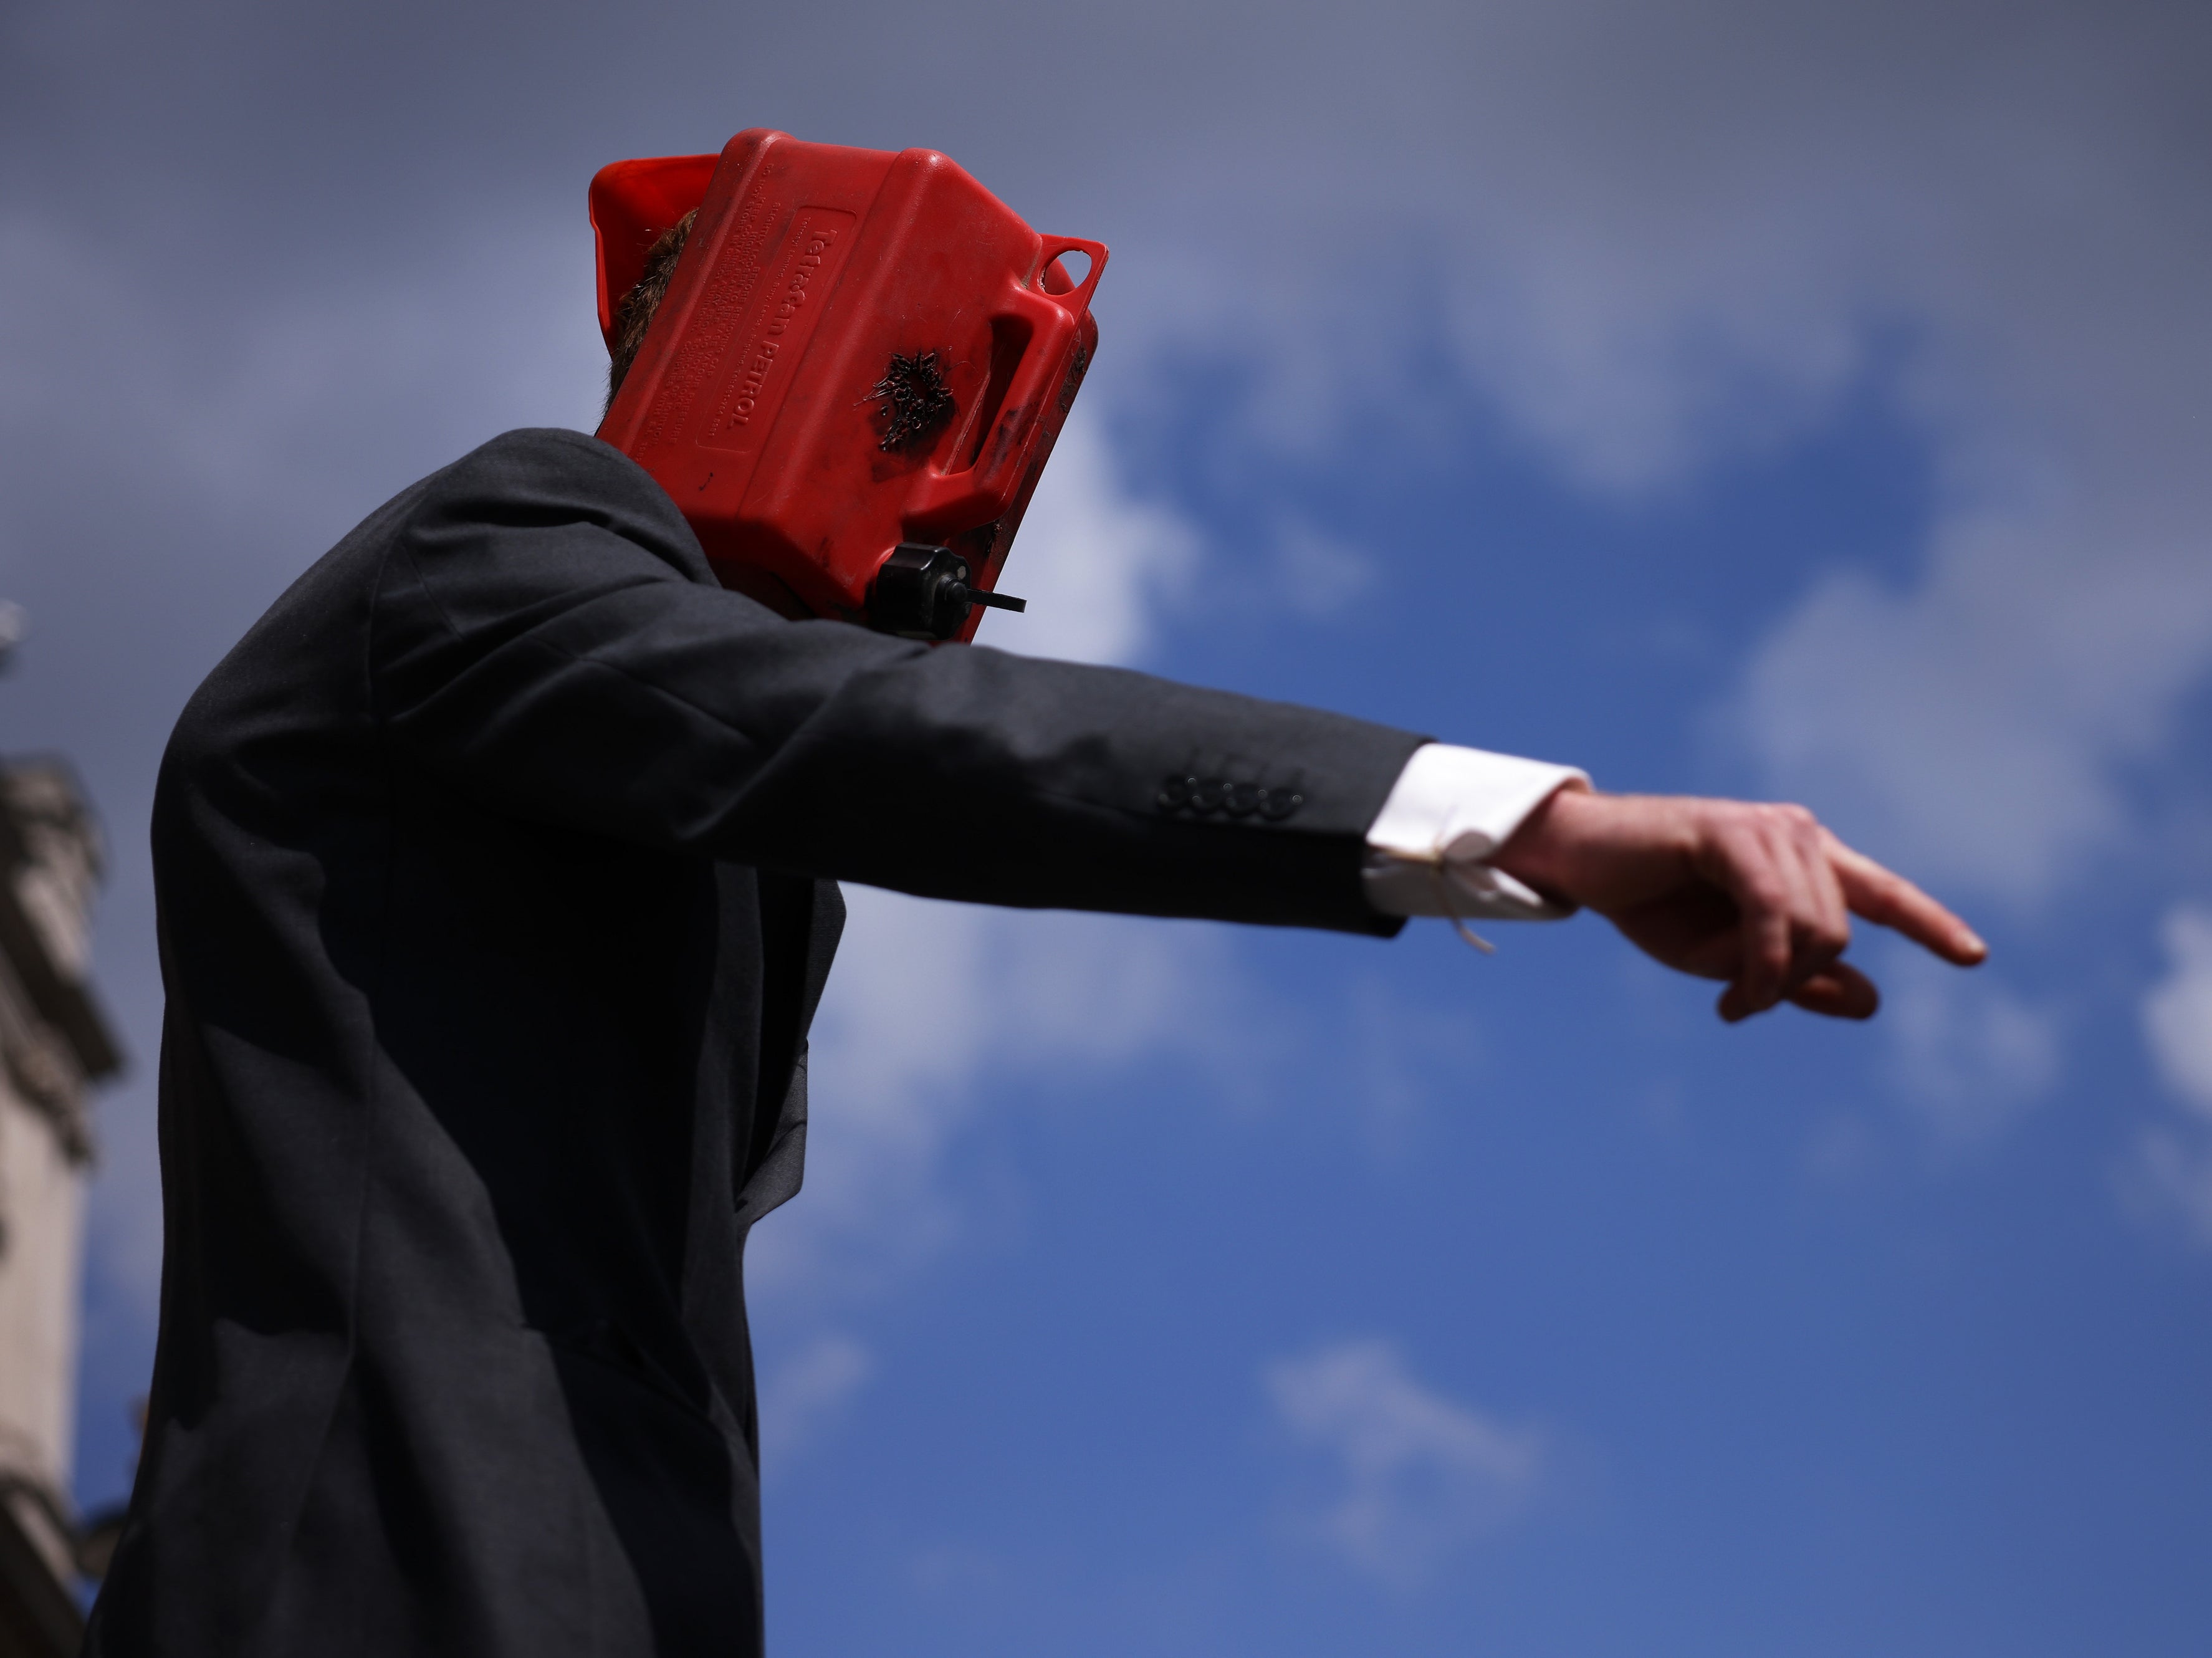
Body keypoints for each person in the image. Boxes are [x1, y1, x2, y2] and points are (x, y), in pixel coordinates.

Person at [83, 249, 1983, 1658]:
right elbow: (920, 749)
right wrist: (1531, 825)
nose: (962, 544)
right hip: (376, 1576)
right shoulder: (512, 537)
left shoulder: (686, 828)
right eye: (951, 431)